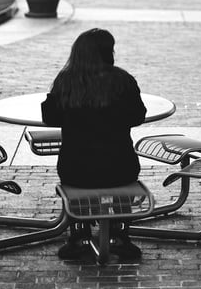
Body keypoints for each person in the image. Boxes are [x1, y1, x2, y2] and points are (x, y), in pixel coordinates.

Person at [41, 28, 147, 262]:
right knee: (117, 168)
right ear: (106, 52)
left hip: (76, 170)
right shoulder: (123, 81)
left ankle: (79, 236)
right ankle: (119, 236)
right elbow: (138, 116)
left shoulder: (66, 81)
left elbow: (49, 117)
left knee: (80, 170)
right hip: (120, 168)